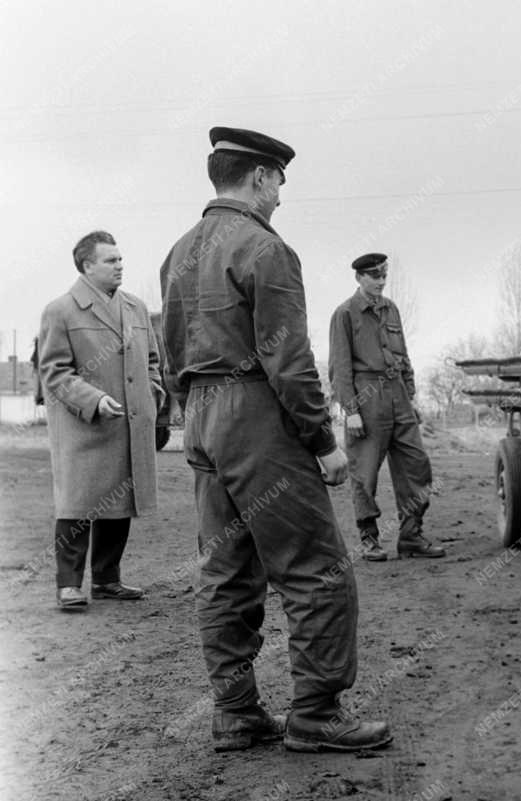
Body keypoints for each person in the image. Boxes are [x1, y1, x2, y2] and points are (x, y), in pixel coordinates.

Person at [160, 126, 390, 754]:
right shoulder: (267, 248)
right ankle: (316, 713)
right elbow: (288, 361)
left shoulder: (178, 252)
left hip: (202, 417)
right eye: (280, 181)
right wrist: (323, 442)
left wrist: (197, 413)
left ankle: (236, 713)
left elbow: (170, 350)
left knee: (225, 573)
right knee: (318, 569)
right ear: (260, 176)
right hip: (257, 417)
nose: (282, 195)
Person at [38, 231, 160, 611]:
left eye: (121, 259)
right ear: (87, 266)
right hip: (83, 427)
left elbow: (153, 362)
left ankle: (107, 580)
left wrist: (152, 395)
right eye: (111, 260)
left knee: (119, 501)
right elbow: (55, 372)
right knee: (77, 504)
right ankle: (69, 585)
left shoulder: (136, 308)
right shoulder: (60, 310)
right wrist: (93, 400)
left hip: (128, 424)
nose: (120, 265)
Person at [329, 253, 444, 562]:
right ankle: (369, 539)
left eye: (384, 275)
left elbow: (403, 356)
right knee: (364, 474)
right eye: (374, 276)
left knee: (416, 466)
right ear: (359, 278)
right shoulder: (345, 313)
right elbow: (339, 367)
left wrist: (411, 396)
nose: (381, 281)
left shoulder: (391, 309)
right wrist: (351, 410)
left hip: (399, 397)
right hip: (367, 399)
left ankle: (411, 536)